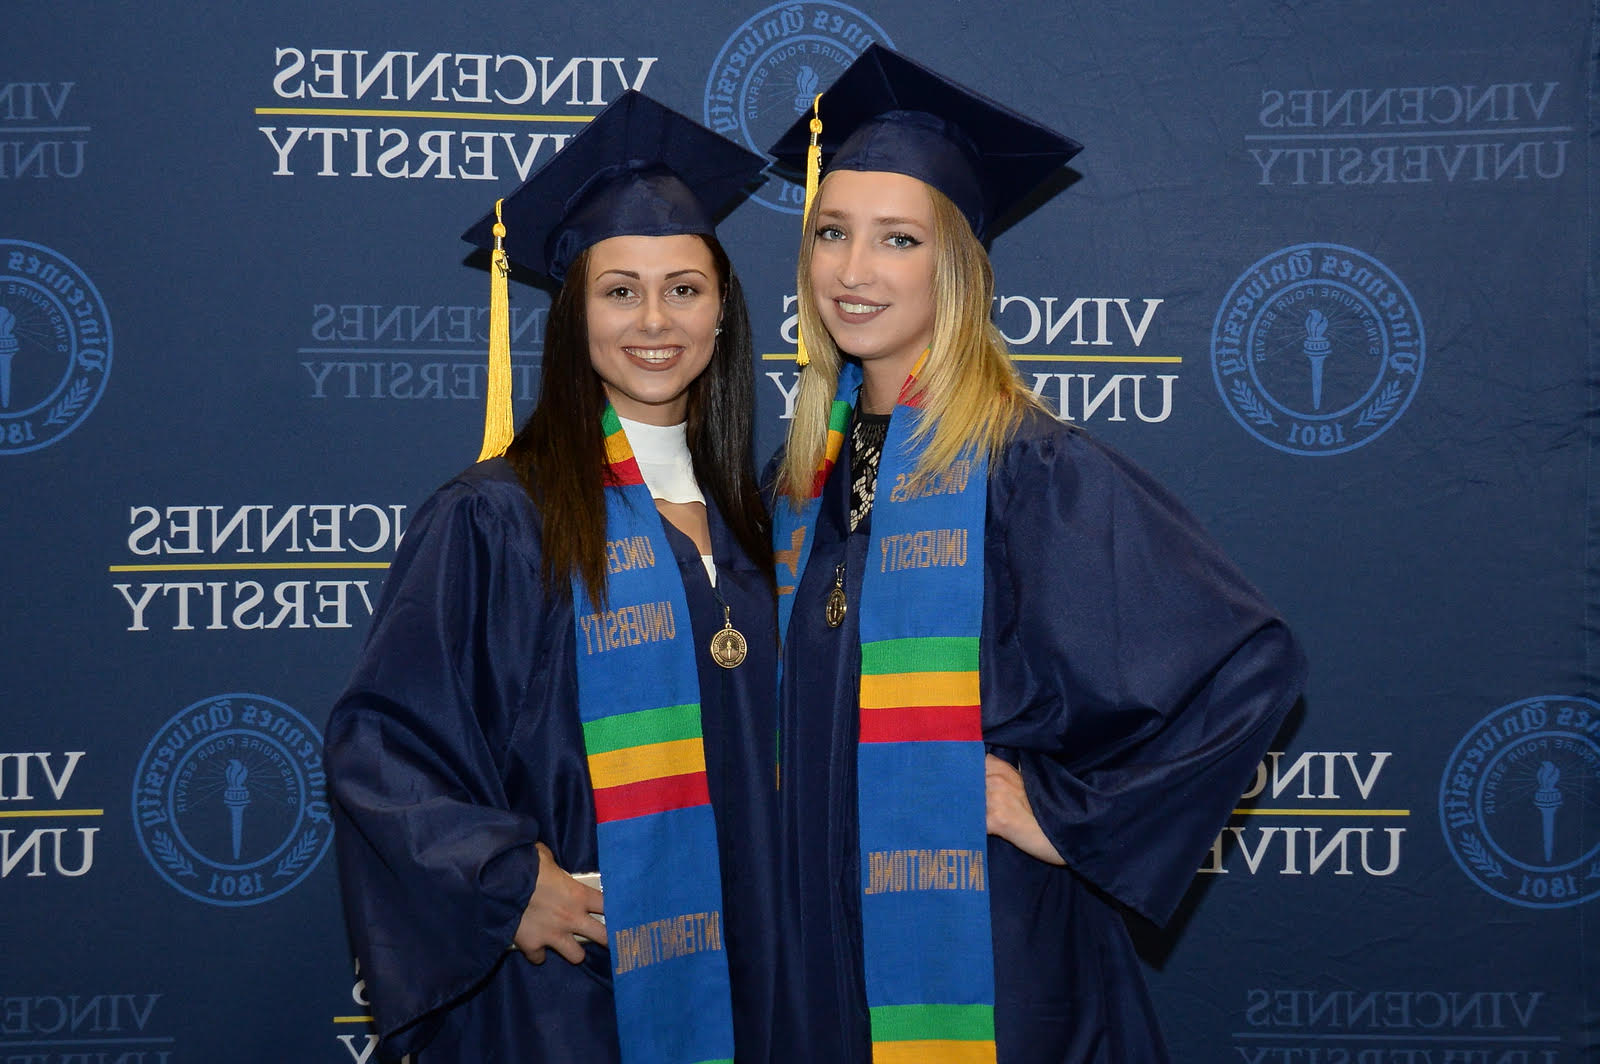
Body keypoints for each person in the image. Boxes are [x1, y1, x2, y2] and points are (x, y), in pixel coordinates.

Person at [764, 45, 1308, 1063]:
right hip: (822, 951)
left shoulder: (1029, 467)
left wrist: (1056, 811)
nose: (851, 269)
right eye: (831, 233)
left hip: (987, 944)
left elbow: (1246, 662)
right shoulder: (797, 482)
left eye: (896, 239)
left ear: (956, 265)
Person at [325, 91, 779, 1063]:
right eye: (619, 290)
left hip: (759, 982)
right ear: (572, 311)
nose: (654, 319)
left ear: (723, 309)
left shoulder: (768, 527)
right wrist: (500, 875)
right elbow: (382, 743)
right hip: (567, 1007)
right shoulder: (498, 516)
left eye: (684, 288)